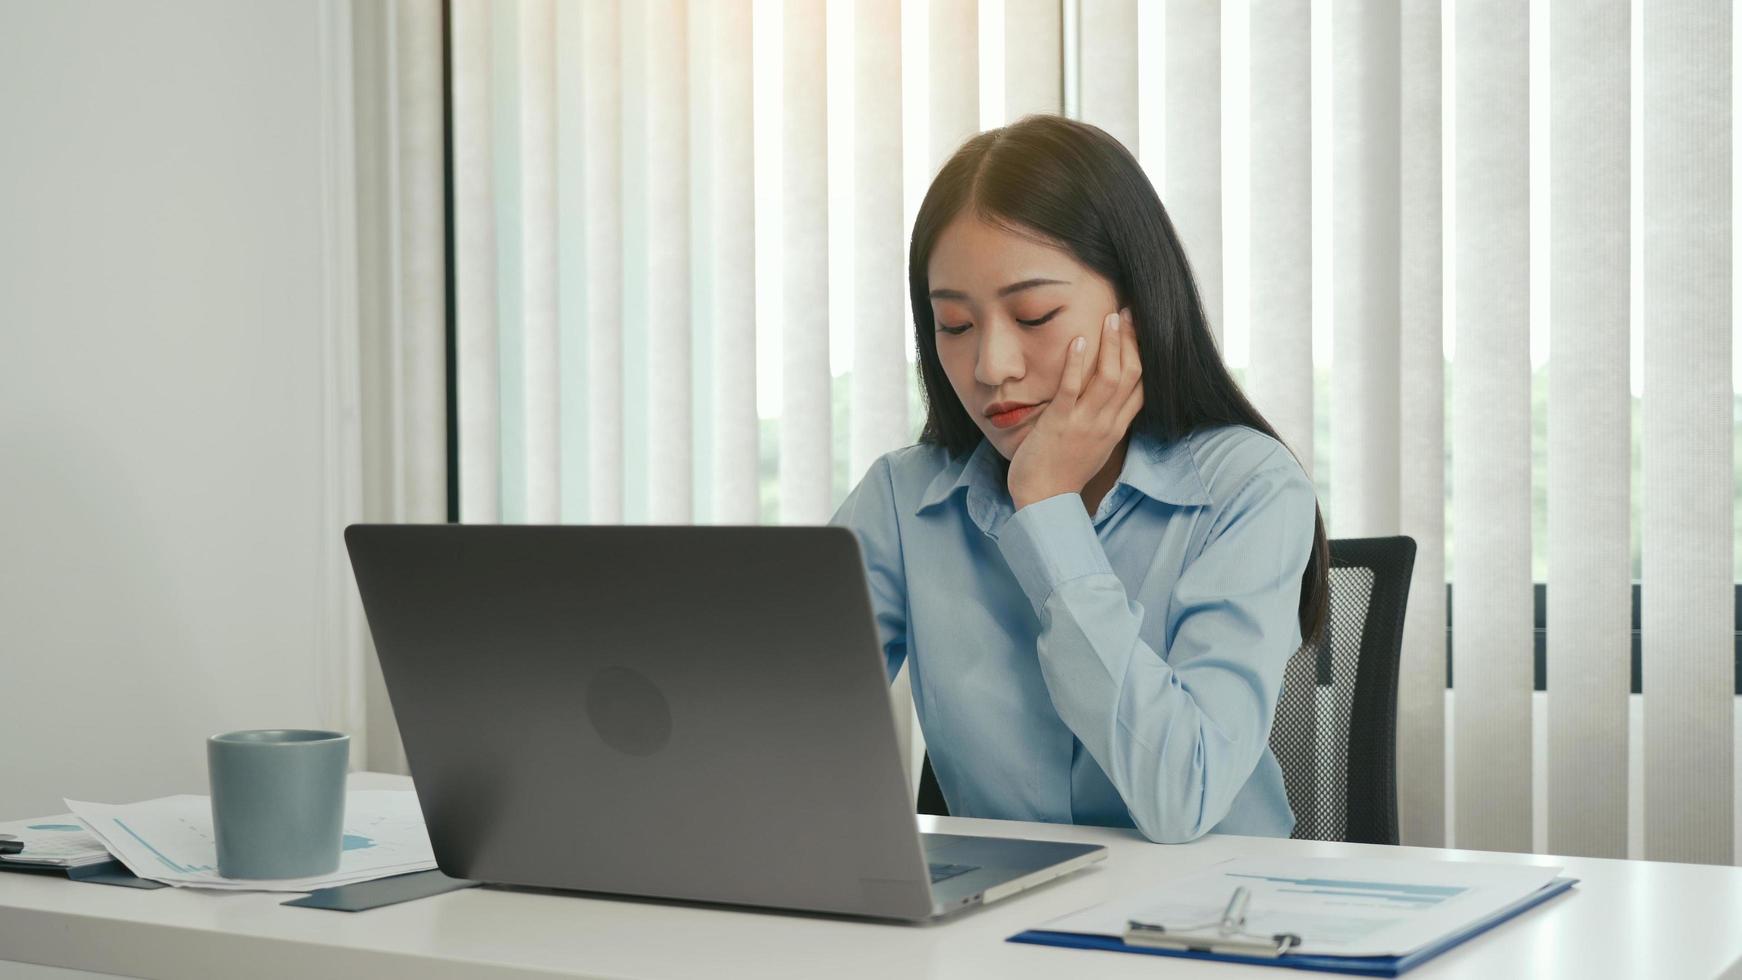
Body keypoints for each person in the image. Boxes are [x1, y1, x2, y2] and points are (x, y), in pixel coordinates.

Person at [830, 115, 1329, 844]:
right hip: (996, 929)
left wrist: (1048, 509)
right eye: (955, 326)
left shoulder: (1247, 488)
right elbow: (777, 737)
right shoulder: (904, 501)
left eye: (1034, 315)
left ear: (1134, 305)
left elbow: (1182, 798)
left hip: (1212, 921)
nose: (991, 365)